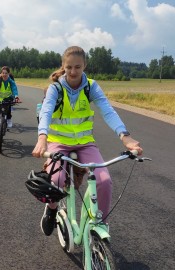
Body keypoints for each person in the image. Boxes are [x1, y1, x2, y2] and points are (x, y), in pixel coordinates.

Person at [32, 46, 143, 236]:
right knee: (56, 180)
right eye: (69, 67)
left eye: (78, 67)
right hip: (59, 143)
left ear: (85, 66)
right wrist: (42, 138)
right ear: (63, 67)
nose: (73, 72)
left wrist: (125, 137)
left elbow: (108, 111)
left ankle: (100, 223)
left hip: (85, 143)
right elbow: (46, 112)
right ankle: (51, 210)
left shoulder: (91, 86)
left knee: (104, 181)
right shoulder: (55, 89)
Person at [0, 66, 20, 141]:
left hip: (7, 99)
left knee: (8, 106)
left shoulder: (10, 81)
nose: (4, 74)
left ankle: (8, 119)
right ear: (1, 73)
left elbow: (14, 88)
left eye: (6, 73)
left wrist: (16, 96)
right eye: (3, 73)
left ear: (8, 74)